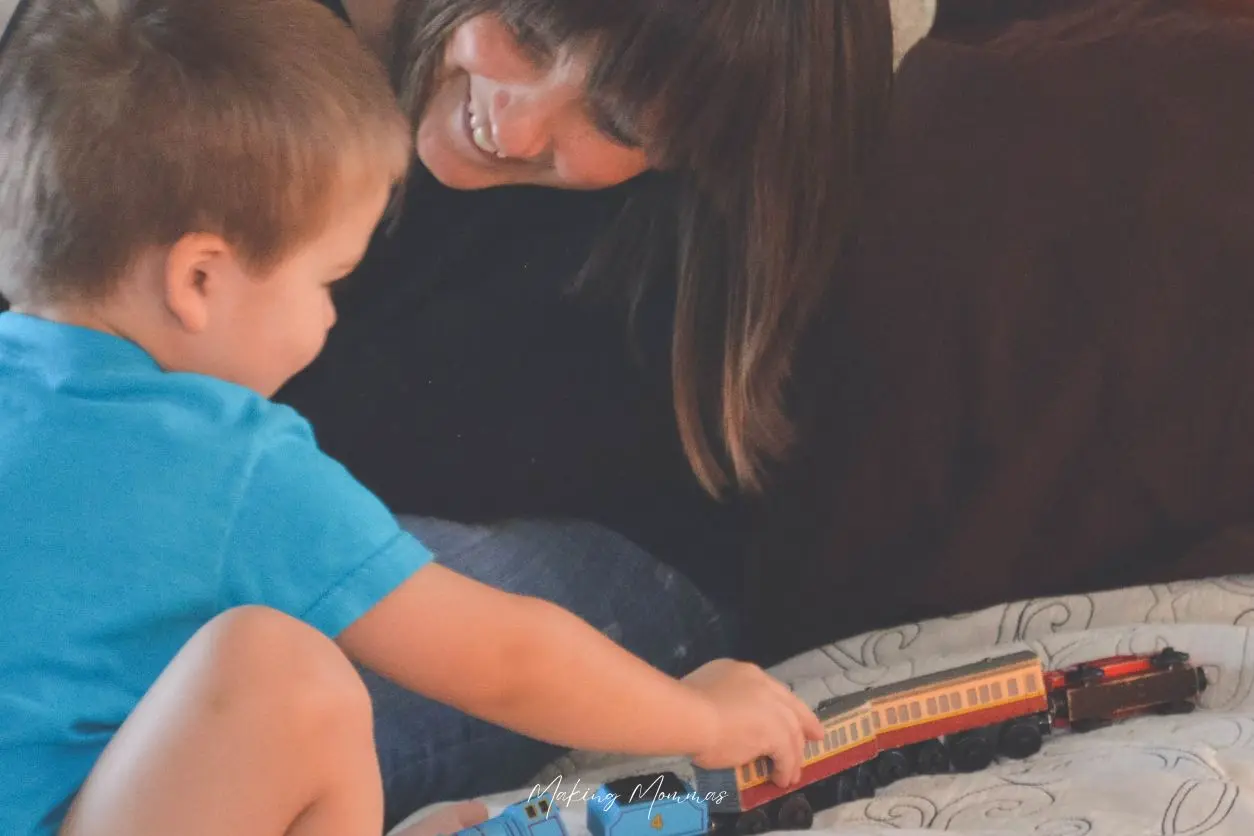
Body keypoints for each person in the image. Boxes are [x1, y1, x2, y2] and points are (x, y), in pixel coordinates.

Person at [0, 3, 824, 836]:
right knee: (282, 669)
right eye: (328, 281)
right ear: (199, 281)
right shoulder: (237, 469)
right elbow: (504, 659)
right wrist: (705, 720)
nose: (330, 321)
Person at [269, 0, 896, 825]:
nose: (518, 127)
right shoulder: (286, 53)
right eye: (526, 36)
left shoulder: (657, 278)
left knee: (259, 686)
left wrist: (701, 719)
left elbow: (473, 630)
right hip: (338, 495)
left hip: (596, 545)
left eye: (617, 119)